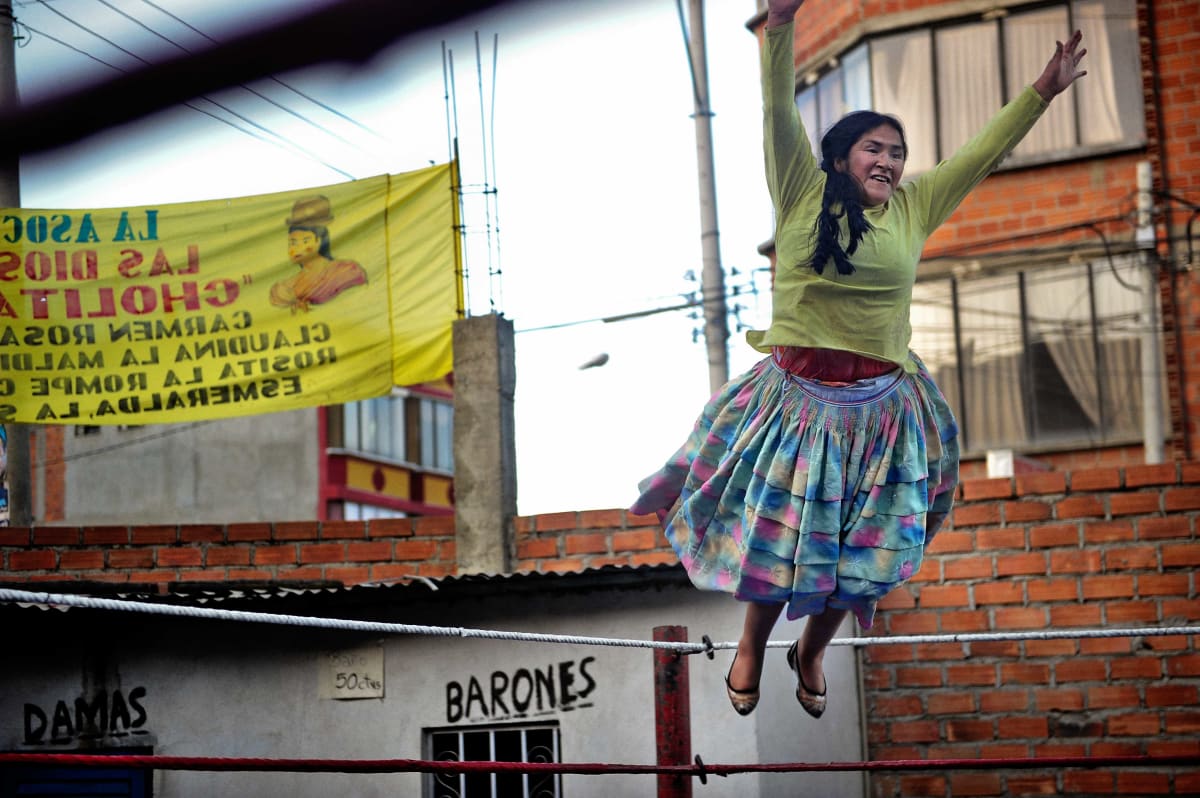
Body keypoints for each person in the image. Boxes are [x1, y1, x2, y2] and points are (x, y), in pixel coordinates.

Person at [630, 0, 1086, 719]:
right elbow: (776, 107)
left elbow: (981, 153)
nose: (889, 161)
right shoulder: (800, 192)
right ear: (841, 157)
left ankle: (811, 651)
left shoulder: (913, 208)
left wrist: (1042, 91)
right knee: (782, 539)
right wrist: (777, 28)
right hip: (797, 403)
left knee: (867, 556)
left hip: (882, 414)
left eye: (898, 152)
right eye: (875, 148)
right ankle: (753, 645)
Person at [270, 195, 368, 313]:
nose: (297, 248)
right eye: (293, 243)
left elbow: (359, 305)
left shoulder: (346, 271)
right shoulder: (288, 286)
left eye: (305, 241)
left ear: (319, 241)